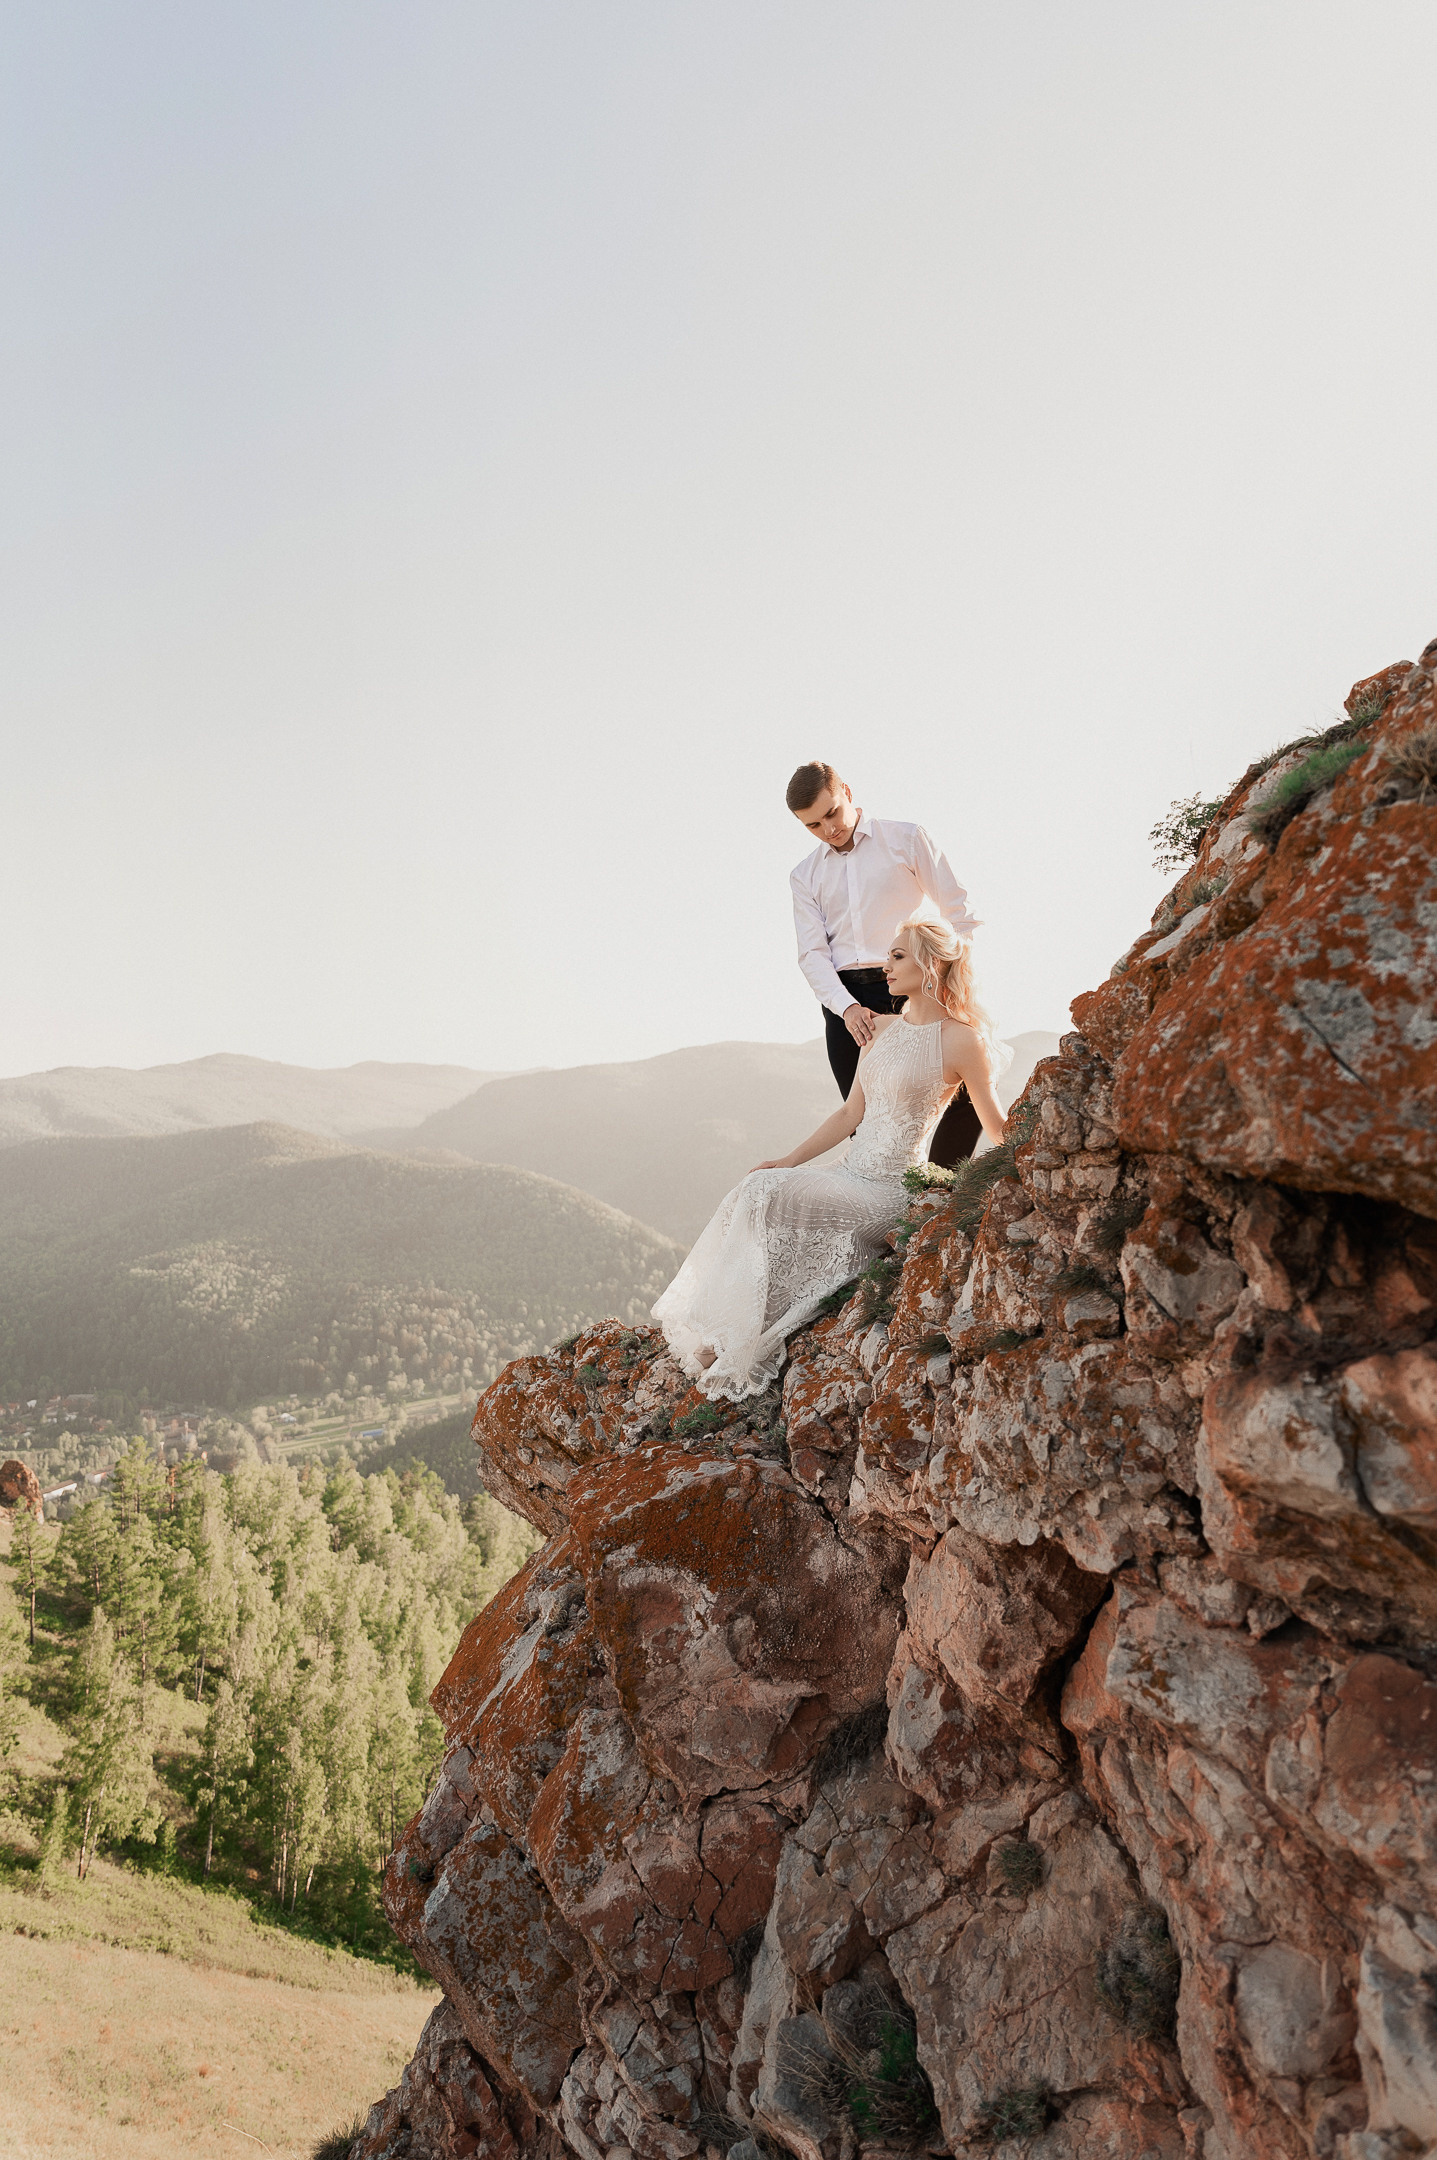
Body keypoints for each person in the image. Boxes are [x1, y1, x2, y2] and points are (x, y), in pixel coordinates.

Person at [652, 916, 1008, 1401]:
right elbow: (849, 1114)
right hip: (848, 1173)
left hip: (889, 1190)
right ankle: (728, 1330)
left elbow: (995, 1125)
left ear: (931, 964)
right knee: (760, 1189)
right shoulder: (879, 1027)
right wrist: (789, 1159)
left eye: (898, 956)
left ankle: (737, 1340)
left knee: (767, 1198)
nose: (886, 966)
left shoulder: (961, 1040)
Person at [787, 762, 984, 1169]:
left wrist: (945, 977)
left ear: (848, 792)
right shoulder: (805, 875)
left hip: (913, 983)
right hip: (846, 1003)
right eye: (813, 825)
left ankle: (938, 1197)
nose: (828, 830)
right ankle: (889, 1221)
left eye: (832, 813)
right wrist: (846, 1009)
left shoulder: (906, 838)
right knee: (867, 1122)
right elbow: (812, 954)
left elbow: (960, 913)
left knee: (965, 1095)